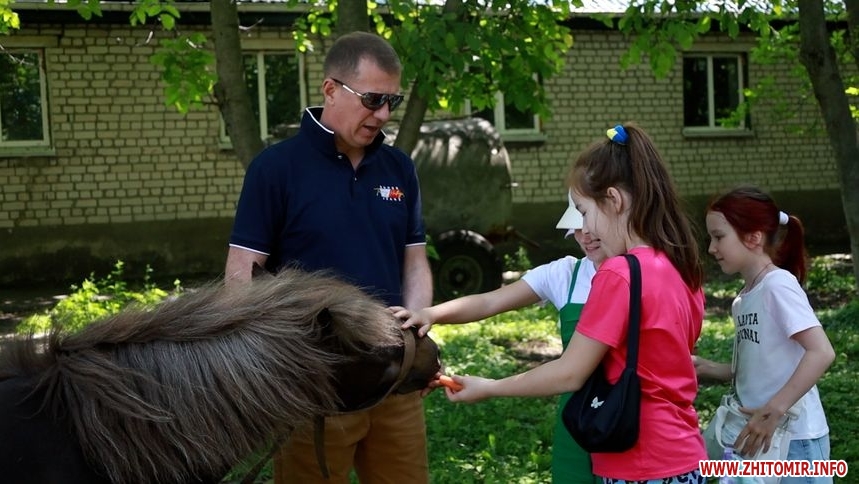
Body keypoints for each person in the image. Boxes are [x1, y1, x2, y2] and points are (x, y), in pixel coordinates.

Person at [441, 123, 708, 483]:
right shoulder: (683, 269)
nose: (585, 229)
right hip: (686, 457)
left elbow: (570, 372)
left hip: (640, 463)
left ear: (614, 200)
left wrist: (490, 387)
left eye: (583, 212)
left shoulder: (619, 273)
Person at [224, 31, 433, 484]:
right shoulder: (275, 169)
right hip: (313, 386)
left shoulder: (399, 168)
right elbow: (241, 276)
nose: (383, 114)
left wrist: (419, 328)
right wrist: (264, 367)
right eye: (373, 99)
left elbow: (414, 261)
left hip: (394, 381)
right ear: (331, 89)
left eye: (392, 102)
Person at [392, 189, 604, 484]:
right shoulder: (566, 274)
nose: (585, 235)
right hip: (577, 422)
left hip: (631, 417)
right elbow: (489, 302)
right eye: (576, 228)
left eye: (589, 222)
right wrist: (430, 314)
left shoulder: (647, 272)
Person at [695, 186, 835, 482]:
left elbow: (821, 352)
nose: (711, 248)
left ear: (753, 237)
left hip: (795, 440)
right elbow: (760, 366)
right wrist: (704, 367)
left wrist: (773, 410)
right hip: (761, 440)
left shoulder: (777, 285)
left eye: (719, 237)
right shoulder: (744, 298)